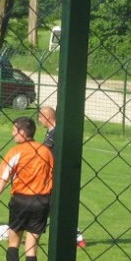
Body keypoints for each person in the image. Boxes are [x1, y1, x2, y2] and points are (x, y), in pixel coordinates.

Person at [0, 117, 54, 261]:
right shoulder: (45, 152)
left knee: (14, 243)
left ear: (22, 132)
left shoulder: (16, 152)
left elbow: (2, 179)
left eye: (14, 130)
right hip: (41, 202)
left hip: (20, 201)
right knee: (32, 248)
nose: (12, 133)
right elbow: (52, 178)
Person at [38, 106, 86, 248]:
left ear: (48, 117)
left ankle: (78, 238)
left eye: (40, 117)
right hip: (52, 176)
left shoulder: (56, 133)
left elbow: (43, 151)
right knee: (47, 207)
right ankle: (34, 236)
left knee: (52, 208)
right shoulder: (51, 131)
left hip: (56, 178)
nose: (39, 120)